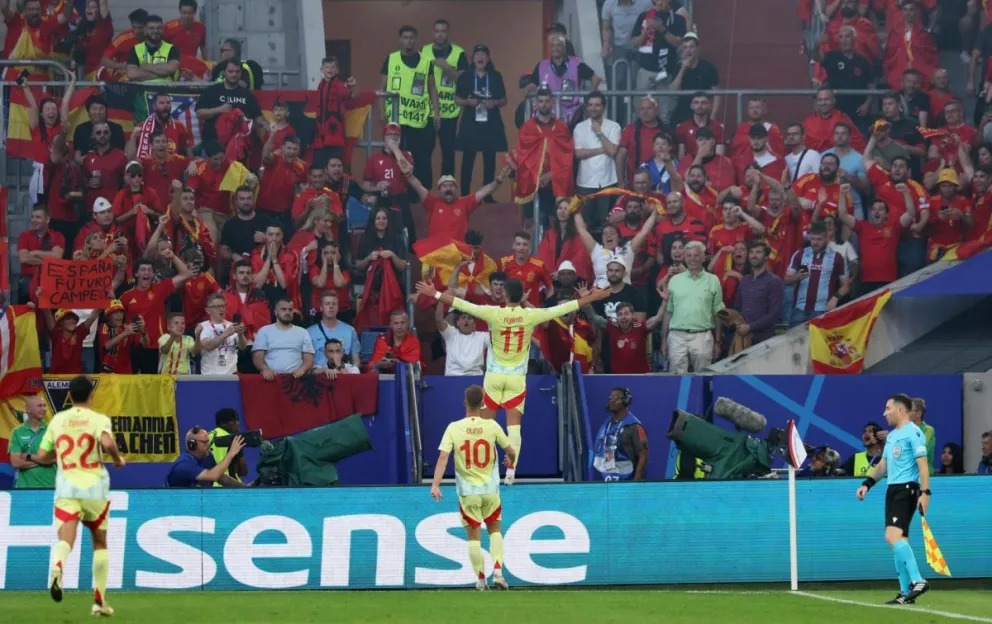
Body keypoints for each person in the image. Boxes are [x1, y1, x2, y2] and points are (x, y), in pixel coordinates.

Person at [416, 278, 611, 485]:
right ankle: (510, 473)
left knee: (485, 425)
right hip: (516, 378)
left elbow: (461, 304)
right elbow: (565, 307)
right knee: (514, 428)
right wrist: (593, 297)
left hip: (493, 378)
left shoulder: (493, 313)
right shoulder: (530, 315)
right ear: (522, 296)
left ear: (506, 295)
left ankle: (484, 472)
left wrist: (435, 293)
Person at [33, 376, 125, 617]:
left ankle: (58, 566)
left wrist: (56, 457)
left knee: (66, 540)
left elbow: (42, 454)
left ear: (70, 396)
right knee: (99, 543)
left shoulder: (58, 420)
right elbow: (107, 442)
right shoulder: (98, 419)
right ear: (91, 396)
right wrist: (117, 459)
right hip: (95, 488)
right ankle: (99, 601)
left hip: (67, 488)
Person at [430, 385, 517, 591]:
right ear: (484, 404)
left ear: (464, 404)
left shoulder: (453, 427)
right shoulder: (492, 426)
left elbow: (443, 457)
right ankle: (498, 571)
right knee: (495, 531)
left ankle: (480, 580)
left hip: (468, 493)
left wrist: (435, 485)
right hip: (490, 490)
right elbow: (511, 451)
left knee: (474, 538)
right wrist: (510, 462)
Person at [856, 394, 932, 605]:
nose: (884, 413)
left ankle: (918, 581)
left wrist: (925, 493)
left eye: (887, 408)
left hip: (907, 489)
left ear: (900, 410)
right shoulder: (891, 437)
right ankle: (905, 592)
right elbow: (883, 466)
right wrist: (867, 484)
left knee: (891, 536)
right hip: (892, 490)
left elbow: (923, 465)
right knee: (899, 540)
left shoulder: (914, 433)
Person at [381, 25, 440, 193]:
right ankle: (397, 189)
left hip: (419, 118)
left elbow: (432, 88)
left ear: (416, 39)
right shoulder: (391, 59)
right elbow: (383, 87)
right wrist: (381, 112)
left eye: (412, 37)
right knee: (394, 154)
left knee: (420, 157)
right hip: (397, 118)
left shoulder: (426, 61)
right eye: (405, 37)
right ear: (400, 40)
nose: (409, 41)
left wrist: (436, 112)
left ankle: (422, 192)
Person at [122, 255, 192, 373]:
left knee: (152, 384)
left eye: (150, 270)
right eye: (143, 269)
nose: (147, 272)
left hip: (155, 345)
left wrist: (173, 256)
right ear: (136, 274)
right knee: (131, 383)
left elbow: (186, 274)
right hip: (132, 346)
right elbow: (115, 320)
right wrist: (125, 327)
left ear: (153, 274)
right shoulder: (126, 296)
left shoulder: (160, 288)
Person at [662, 240, 725, 373]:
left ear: (703, 257)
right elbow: (669, 312)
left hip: (702, 336)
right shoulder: (674, 280)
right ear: (684, 257)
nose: (692, 259)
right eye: (689, 255)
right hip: (677, 336)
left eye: (696, 255)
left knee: (702, 378)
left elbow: (718, 312)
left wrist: (718, 342)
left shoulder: (713, 280)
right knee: (677, 380)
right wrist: (663, 340)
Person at [455, 44, 508, 195]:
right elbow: (457, 99)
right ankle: (465, 194)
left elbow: (504, 100)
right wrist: (467, 102)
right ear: (473, 58)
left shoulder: (495, 76)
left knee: (489, 158)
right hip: (471, 121)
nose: (480, 58)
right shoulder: (465, 76)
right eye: (477, 55)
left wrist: (495, 103)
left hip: (490, 121)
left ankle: (487, 194)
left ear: (488, 58)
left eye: (483, 55)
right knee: (468, 157)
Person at [573, 92, 623, 234]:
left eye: (597, 105)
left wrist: (599, 132)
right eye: (590, 105)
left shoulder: (614, 126)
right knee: (586, 225)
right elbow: (578, 154)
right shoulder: (580, 127)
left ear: (603, 107)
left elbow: (612, 151)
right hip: (585, 183)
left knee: (607, 224)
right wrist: (602, 149)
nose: (593, 108)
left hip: (607, 181)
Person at [195, 61, 266, 143]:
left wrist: (265, 123)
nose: (234, 75)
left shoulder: (247, 94)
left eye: (237, 72)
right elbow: (199, 113)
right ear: (224, 73)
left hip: (241, 140)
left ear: (240, 74)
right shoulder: (212, 91)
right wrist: (219, 109)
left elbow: (258, 116)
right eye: (230, 71)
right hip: (214, 140)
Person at [593, 388, 648, 481]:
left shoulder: (634, 425)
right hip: (605, 478)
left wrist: (636, 481)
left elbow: (643, 456)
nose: (612, 400)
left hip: (627, 480)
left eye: (617, 398)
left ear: (626, 401)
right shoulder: (606, 424)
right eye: (610, 397)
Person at [252, 298, 315, 379]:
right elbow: (257, 357)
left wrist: (302, 369)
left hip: (296, 380)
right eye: (283, 309)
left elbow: (309, 358)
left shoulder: (303, 332)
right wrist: (265, 369)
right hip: (270, 379)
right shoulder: (264, 331)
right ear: (275, 312)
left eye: (290, 310)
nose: (287, 312)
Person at [166, 425, 247, 488]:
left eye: (208, 441)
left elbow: (221, 477)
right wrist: (231, 453)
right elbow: (213, 476)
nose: (208, 445)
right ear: (192, 445)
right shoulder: (183, 464)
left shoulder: (207, 457)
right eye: (205, 442)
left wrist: (246, 489)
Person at [7, 394, 56, 489]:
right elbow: (16, 463)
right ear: (28, 409)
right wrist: (43, 460)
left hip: (51, 488)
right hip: (25, 489)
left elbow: (55, 459)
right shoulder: (17, 432)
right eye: (39, 406)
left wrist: (29, 456)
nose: (44, 409)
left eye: (44, 405)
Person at [196, 292, 247, 375]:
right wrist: (225, 334)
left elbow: (243, 347)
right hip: (210, 374)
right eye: (217, 307)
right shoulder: (203, 327)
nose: (221, 309)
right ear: (208, 310)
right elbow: (208, 346)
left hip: (231, 373)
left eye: (223, 306)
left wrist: (240, 335)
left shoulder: (231, 325)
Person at [435, 295, 488, 376]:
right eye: (463, 318)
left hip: (476, 379)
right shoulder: (451, 334)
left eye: (469, 318)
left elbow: (498, 335)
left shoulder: (482, 337)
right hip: (452, 378)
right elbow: (438, 320)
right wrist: (442, 298)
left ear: (474, 325)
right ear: (458, 323)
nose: (466, 320)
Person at [307, 291, 361, 369]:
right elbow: (306, 362)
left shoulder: (350, 331)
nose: (331, 306)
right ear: (321, 308)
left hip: (342, 375)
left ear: (337, 307)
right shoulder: (309, 332)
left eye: (334, 304)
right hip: (319, 376)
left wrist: (351, 372)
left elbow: (356, 361)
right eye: (327, 304)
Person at [126, 14, 180, 82]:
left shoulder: (171, 48)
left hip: (166, 90)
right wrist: (163, 73)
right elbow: (132, 74)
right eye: (151, 28)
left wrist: (145, 67)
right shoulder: (136, 49)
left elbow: (171, 69)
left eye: (159, 28)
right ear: (145, 30)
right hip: (142, 90)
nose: (155, 31)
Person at [207, 408, 248, 486]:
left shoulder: (206, 437)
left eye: (238, 420)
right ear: (223, 423)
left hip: (210, 487)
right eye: (234, 421)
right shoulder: (234, 439)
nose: (238, 423)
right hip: (229, 487)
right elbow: (243, 471)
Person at [908, 397, 936, 477]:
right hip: (908, 477)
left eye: (910, 410)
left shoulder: (928, 430)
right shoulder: (903, 430)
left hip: (924, 476)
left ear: (919, 413)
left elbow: (922, 450)